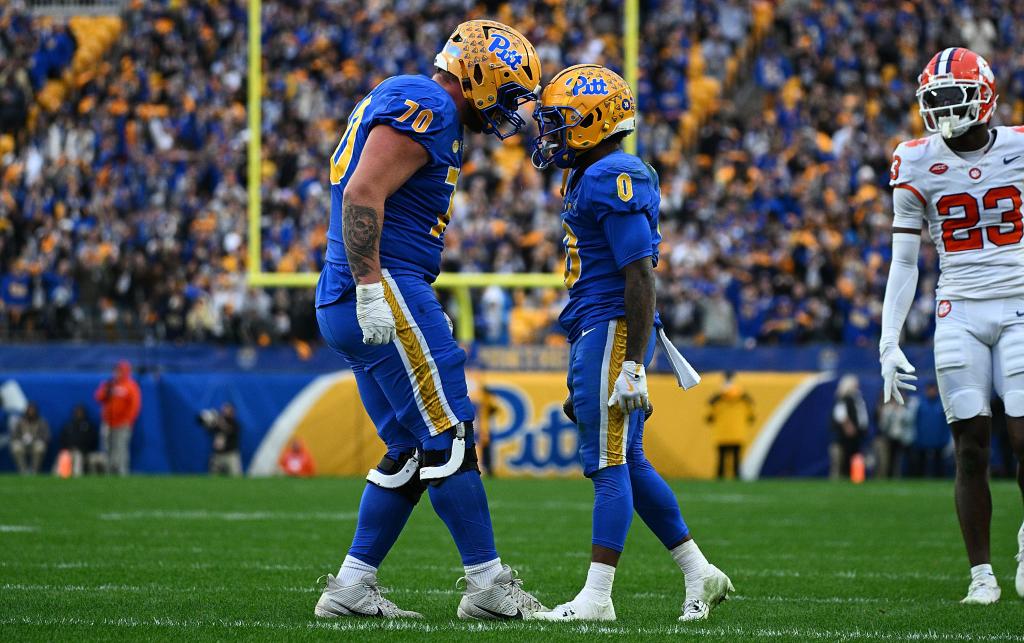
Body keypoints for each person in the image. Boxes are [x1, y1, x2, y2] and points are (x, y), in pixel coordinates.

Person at [312, 20, 545, 620]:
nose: (512, 107)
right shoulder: (430, 103)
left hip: (357, 289)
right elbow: (362, 192)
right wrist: (370, 286)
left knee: (414, 448)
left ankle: (349, 587)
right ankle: (488, 584)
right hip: (382, 284)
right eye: (510, 90)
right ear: (478, 72)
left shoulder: (419, 99)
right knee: (449, 434)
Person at [529, 64, 732, 623]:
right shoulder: (590, 172)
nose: (552, 133)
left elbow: (639, 275)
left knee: (608, 465)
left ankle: (597, 597)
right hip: (598, 326)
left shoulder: (611, 173)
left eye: (563, 122)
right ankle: (699, 571)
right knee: (631, 461)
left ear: (595, 122)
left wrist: (632, 364)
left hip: (614, 326)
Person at [879, 47, 1024, 603]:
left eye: (952, 96)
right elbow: (904, 260)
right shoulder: (913, 160)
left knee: (1022, 435)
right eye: (933, 99)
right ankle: (981, 574)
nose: (942, 109)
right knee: (969, 444)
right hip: (958, 307)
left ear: (983, 95)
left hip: (1018, 303)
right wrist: (888, 341)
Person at [93, 360, 141, 476]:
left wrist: (128, 420)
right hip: (108, 422)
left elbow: (135, 405)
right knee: (107, 448)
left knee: (120, 448)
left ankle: (122, 472)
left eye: (120, 371)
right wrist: (106, 392)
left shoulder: (131, 386)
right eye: (116, 370)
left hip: (122, 423)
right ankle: (109, 472)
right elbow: (98, 397)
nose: (117, 373)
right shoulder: (110, 384)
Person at [706, 371, 755, 479]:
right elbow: (751, 418)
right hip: (738, 434)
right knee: (736, 461)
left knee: (721, 462)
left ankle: (720, 480)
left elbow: (709, 418)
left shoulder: (717, 400)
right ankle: (737, 478)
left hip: (721, 434)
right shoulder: (744, 399)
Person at [830, 375, 868, 479]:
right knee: (846, 456)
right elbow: (841, 414)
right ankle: (845, 475)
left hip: (857, 433)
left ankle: (852, 475)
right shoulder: (845, 397)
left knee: (854, 455)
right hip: (847, 434)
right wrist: (848, 426)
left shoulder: (856, 397)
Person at [911, 382, 950, 478]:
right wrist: (917, 437)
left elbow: (946, 423)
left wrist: (945, 439)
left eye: (933, 390)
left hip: (939, 441)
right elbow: (915, 421)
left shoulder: (942, 404)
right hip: (922, 440)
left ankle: (940, 480)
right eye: (930, 390)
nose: (931, 392)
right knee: (920, 464)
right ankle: (919, 481)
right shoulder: (920, 404)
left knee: (939, 464)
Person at [875, 393, 915, 479]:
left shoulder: (904, 409)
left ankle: (898, 475)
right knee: (890, 458)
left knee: (899, 458)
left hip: (901, 437)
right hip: (890, 437)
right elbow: (883, 425)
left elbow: (908, 422)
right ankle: (889, 475)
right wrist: (890, 413)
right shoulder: (888, 409)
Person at [198, 403, 242, 476]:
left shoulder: (235, 424)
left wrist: (219, 421)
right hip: (217, 455)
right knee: (213, 477)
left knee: (236, 477)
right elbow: (208, 429)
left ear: (232, 411)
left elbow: (228, 430)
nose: (225, 411)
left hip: (231, 455)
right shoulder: (217, 423)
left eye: (227, 409)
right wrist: (207, 420)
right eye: (225, 408)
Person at [59, 404, 101, 476]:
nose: (79, 414)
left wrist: (82, 449)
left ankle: (77, 475)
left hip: (84, 451)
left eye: (81, 412)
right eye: (77, 412)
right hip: (69, 450)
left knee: (78, 455)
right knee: (64, 455)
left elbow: (93, 441)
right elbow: (62, 439)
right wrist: (69, 448)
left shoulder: (89, 426)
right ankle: (59, 475)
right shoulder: (69, 425)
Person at [9, 402, 49, 475]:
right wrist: (22, 438)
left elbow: (46, 436)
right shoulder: (20, 422)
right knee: (16, 446)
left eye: (33, 411)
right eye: (29, 410)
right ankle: (23, 471)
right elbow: (14, 435)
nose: (31, 412)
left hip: (35, 443)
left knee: (40, 446)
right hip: (23, 443)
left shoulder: (42, 422)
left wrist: (35, 439)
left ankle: (34, 471)